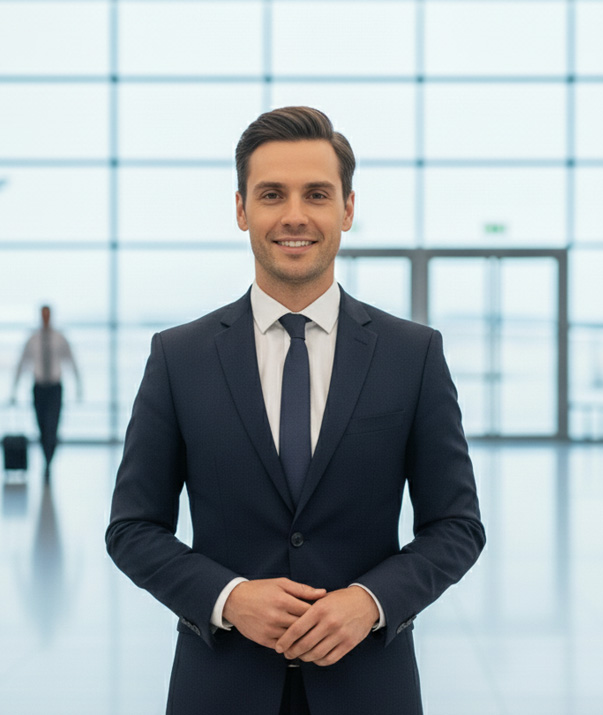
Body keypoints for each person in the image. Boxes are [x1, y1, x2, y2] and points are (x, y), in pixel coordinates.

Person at [106, 106, 485, 715]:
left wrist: (371, 601)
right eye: (271, 194)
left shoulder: (413, 354)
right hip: (220, 686)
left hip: (369, 685)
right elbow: (132, 528)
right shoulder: (179, 357)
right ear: (241, 210)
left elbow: (457, 526)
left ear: (347, 209)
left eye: (316, 193)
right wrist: (228, 597)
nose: (294, 215)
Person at [11, 305, 82, 477]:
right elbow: (22, 363)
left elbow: (72, 361)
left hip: (55, 388)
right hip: (39, 388)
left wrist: (79, 386)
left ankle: (48, 463)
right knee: (42, 427)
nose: (45, 318)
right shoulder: (33, 339)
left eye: (47, 315)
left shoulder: (59, 338)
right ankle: (46, 459)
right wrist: (14, 389)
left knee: (53, 426)